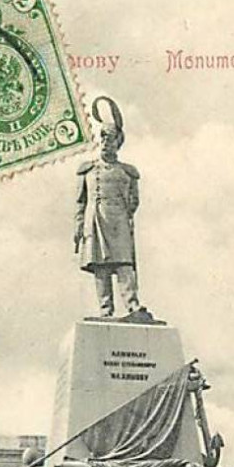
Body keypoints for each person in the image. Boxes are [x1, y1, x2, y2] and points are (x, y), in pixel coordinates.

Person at [74, 97, 140, 317]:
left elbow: (134, 201)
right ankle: (106, 310)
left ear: (117, 143)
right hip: (95, 221)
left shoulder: (127, 172)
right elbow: (80, 202)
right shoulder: (88, 170)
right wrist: (78, 227)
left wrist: (125, 213)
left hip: (119, 221)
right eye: (103, 139)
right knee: (100, 267)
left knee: (124, 265)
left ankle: (132, 305)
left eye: (110, 140)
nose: (106, 144)